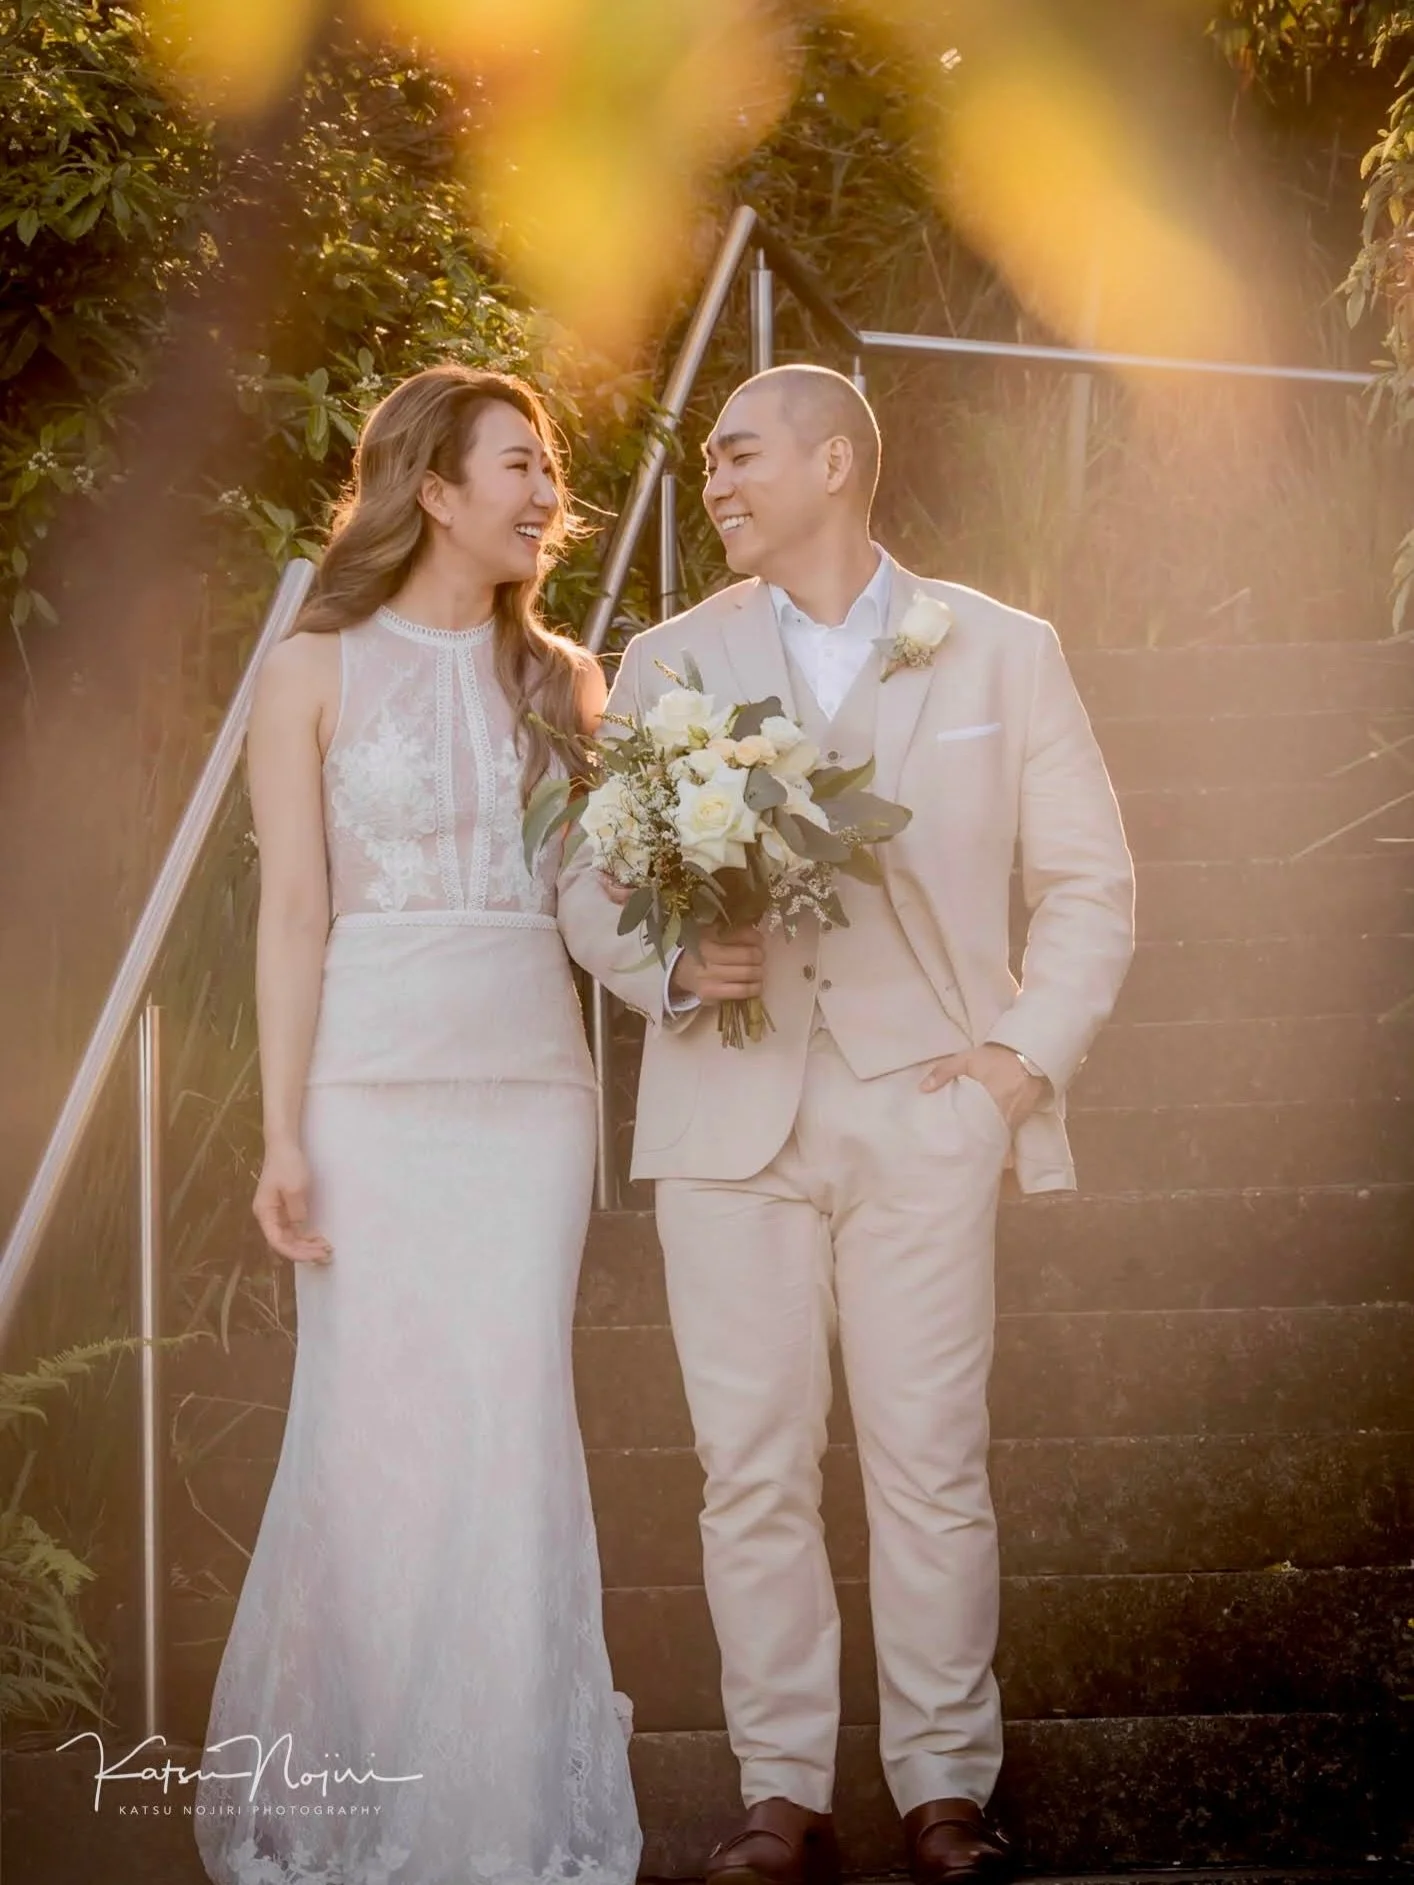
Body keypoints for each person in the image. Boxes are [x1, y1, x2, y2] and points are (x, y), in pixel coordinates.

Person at [557, 364, 1135, 1885]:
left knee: (929, 1457)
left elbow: (1089, 880)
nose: (716, 484)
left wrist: (1018, 1064)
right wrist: (672, 962)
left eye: (738, 454)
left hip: (924, 1107)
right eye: (708, 464)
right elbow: (586, 882)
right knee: (746, 1462)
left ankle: (946, 1787)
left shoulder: (1002, 651)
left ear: (833, 461)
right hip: (724, 1119)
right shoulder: (669, 656)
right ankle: (781, 1792)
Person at [194, 365, 642, 1885]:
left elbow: (593, 904)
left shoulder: (569, 681)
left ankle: (497, 1818)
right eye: (514, 465)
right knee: (371, 1442)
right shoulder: (312, 666)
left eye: (550, 467)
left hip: (528, 1104)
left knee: (509, 1435)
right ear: (432, 491)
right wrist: (280, 1134)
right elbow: (294, 914)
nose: (542, 492)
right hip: (368, 1100)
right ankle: (361, 1803)